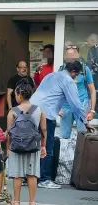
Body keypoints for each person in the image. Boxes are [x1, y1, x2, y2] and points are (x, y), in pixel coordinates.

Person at [30, 61, 94, 189]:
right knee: (47, 147)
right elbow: (76, 104)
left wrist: (56, 108)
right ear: (74, 72)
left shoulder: (51, 75)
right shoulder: (68, 80)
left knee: (33, 145)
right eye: (79, 74)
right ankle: (44, 179)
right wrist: (85, 122)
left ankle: (30, 177)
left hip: (31, 110)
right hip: (45, 114)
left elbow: (44, 93)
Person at [6, 79, 47, 205]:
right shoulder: (39, 110)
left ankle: (16, 201)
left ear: (19, 95)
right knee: (32, 174)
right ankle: (32, 202)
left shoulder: (12, 112)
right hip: (33, 146)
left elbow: (9, 132)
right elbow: (44, 130)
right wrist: (43, 146)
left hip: (16, 146)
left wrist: (8, 148)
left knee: (17, 174)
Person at [59, 45, 96, 139]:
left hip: (82, 105)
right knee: (64, 136)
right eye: (69, 55)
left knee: (83, 134)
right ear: (66, 56)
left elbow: (92, 91)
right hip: (66, 106)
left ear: (78, 55)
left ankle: (82, 154)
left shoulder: (84, 69)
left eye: (73, 54)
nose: (71, 57)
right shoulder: (61, 70)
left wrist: (92, 110)